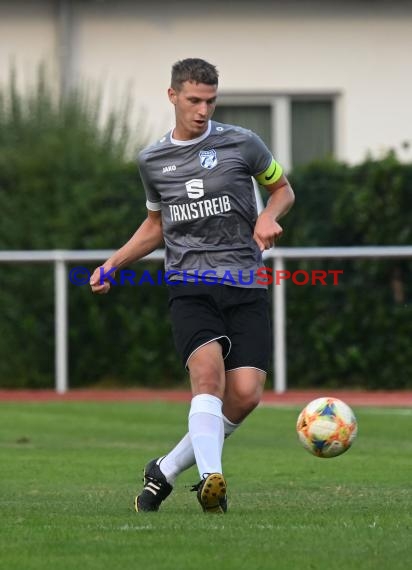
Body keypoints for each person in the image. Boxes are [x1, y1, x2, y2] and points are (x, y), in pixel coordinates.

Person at [90, 58, 295, 514]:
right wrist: (114, 263)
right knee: (207, 376)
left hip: (245, 281)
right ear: (173, 96)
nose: (203, 109)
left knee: (244, 396)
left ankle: (162, 471)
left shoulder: (244, 144)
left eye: (210, 100)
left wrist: (267, 215)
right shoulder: (152, 160)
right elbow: (155, 226)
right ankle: (210, 481)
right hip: (189, 281)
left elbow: (282, 189)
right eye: (194, 100)